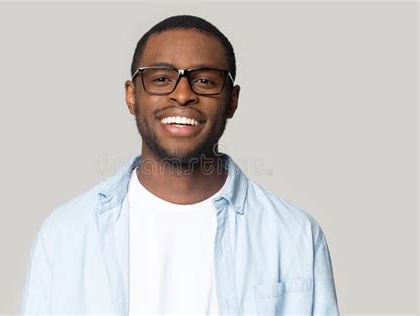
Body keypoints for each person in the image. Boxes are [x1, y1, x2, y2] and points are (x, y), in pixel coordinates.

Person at [21, 15, 339, 315]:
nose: (183, 94)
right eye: (161, 78)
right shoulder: (65, 234)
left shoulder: (295, 235)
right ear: (132, 96)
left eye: (204, 80)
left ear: (232, 100)